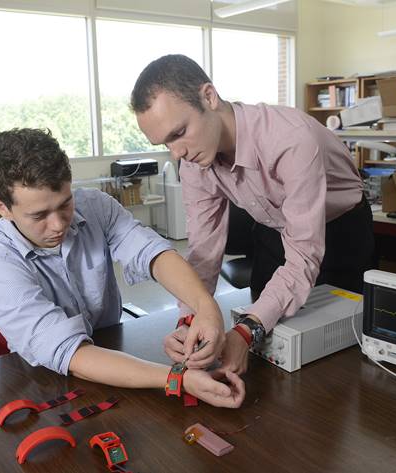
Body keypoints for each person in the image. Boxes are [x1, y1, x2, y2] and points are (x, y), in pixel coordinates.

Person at [131, 54, 375, 375]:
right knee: (269, 350)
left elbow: (303, 256)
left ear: (209, 96)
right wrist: (190, 319)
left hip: (340, 233)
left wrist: (246, 331)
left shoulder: (290, 139)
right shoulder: (193, 162)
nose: (177, 154)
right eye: (164, 144)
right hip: (273, 232)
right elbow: (204, 252)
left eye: (178, 133)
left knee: (339, 360)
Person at [0, 128, 243, 408]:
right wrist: (178, 379)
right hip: (43, 381)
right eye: (39, 215)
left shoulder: (95, 206)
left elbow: (154, 254)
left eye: (65, 203)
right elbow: (68, 352)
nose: (59, 224)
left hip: (113, 359)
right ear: (2, 207)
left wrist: (206, 308)